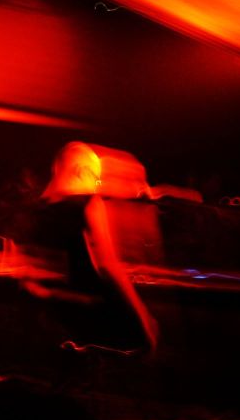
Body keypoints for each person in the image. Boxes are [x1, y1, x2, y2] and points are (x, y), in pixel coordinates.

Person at [15, 141, 159, 352]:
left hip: (51, 319)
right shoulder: (89, 204)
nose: (97, 185)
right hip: (92, 315)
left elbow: (28, 275)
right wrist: (143, 318)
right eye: (96, 178)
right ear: (82, 171)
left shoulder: (35, 212)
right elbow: (108, 266)